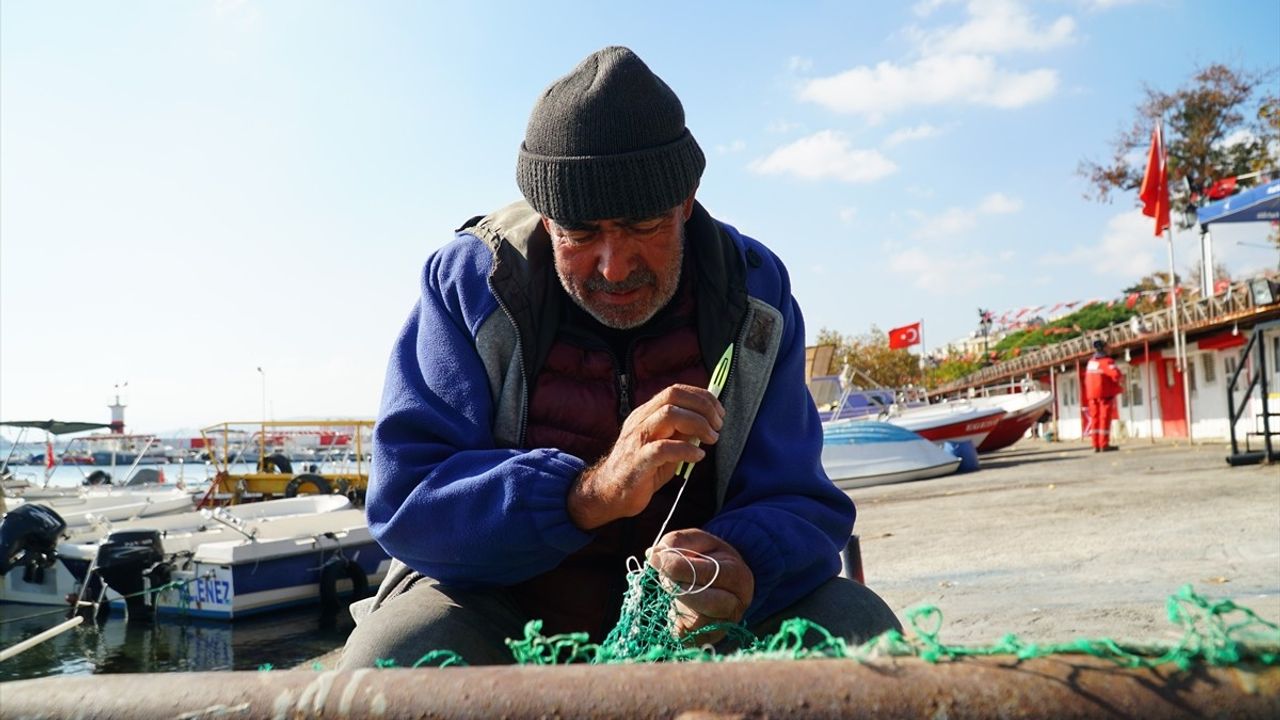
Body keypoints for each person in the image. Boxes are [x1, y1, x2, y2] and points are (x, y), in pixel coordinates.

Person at [339, 46, 900, 668]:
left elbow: (801, 499)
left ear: (686, 201)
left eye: (644, 226)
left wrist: (739, 564)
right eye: (579, 234)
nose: (615, 266)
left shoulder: (755, 296)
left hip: (701, 626)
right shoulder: (472, 285)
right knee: (390, 658)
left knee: (857, 625)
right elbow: (408, 504)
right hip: (495, 608)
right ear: (547, 220)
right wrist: (588, 493)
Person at [1084, 339, 1123, 452]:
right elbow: (1116, 375)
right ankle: (1104, 444)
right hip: (1104, 394)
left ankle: (1095, 444)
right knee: (1104, 419)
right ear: (1104, 348)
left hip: (1092, 395)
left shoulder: (1091, 362)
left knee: (1094, 419)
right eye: (1108, 346)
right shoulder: (1106, 362)